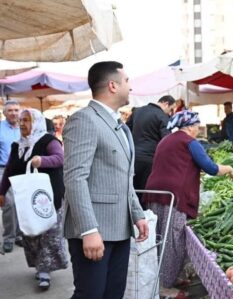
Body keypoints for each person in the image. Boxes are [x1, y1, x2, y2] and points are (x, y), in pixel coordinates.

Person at [63, 61, 148, 299]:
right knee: (90, 294)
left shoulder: (120, 126)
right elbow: (75, 179)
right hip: (94, 230)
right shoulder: (84, 120)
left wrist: (138, 213)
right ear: (113, 85)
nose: (130, 87)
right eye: (127, 81)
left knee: (114, 294)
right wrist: (88, 230)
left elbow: (124, 177)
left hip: (121, 228)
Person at [143, 110, 233, 291]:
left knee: (160, 235)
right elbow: (211, 168)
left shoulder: (166, 140)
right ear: (191, 127)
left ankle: (161, 277)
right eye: (197, 126)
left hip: (154, 192)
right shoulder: (190, 142)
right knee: (174, 238)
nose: (198, 130)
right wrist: (229, 168)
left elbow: (174, 163)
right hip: (174, 195)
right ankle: (167, 284)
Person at [0, 109, 68, 290]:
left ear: (36, 122)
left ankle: (45, 271)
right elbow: (9, 170)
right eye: (21, 120)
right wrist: (1, 191)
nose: (22, 123)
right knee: (31, 234)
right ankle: (39, 266)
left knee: (48, 233)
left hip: (48, 198)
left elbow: (60, 158)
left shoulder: (48, 141)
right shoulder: (18, 145)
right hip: (27, 200)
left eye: (27, 120)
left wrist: (42, 161)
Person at [128, 95, 176, 204]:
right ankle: (144, 218)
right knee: (146, 194)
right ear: (166, 104)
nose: (170, 113)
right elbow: (167, 141)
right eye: (171, 109)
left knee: (133, 192)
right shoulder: (162, 117)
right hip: (150, 160)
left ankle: (132, 219)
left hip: (133, 158)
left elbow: (126, 130)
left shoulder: (138, 111)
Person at [0, 100, 21, 253]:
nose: (14, 113)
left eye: (16, 110)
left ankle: (20, 235)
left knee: (21, 203)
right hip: (3, 170)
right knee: (9, 204)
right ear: (4, 113)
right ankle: (8, 237)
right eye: (10, 110)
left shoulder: (25, 125)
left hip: (23, 170)